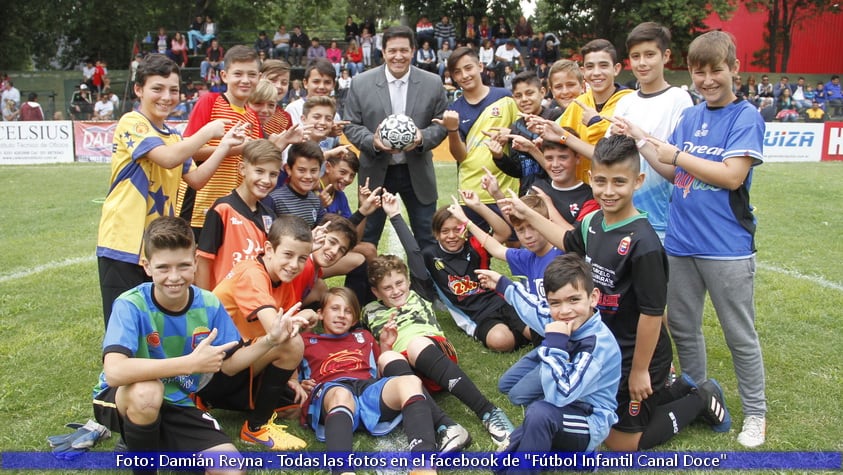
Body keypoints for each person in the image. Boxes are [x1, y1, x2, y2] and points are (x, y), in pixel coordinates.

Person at [500, 135, 732, 451]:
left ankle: (700, 398)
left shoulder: (644, 243)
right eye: (601, 182)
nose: (609, 192)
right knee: (590, 411)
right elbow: (568, 241)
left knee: (621, 442)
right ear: (591, 179)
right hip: (604, 350)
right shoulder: (593, 221)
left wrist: (639, 371)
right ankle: (673, 389)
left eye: (619, 182)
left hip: (635, 355)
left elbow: (651, 315)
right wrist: (528, 214)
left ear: (637, 181)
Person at [623, 30, 767, 448]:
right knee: (684, 327)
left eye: (715, 70)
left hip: (726, 247)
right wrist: (642, 139)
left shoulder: (745, 116)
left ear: (734, 69)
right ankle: (701, 395)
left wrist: (677, 155)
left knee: (738, 333)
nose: (706, 80)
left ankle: (756, 413)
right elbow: (674, 172)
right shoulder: (691, 116)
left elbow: (731, 175)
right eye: (699, 71)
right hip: (681, 243)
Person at [92, 216, 310, 461]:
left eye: (183, 266)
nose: (174, 276)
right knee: (147, 393)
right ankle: (141, 449)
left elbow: (230, 365)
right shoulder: (130, 304)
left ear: (195, 262)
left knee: (230, 466)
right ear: (147, 266)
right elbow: (115, 372)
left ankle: (146, 437)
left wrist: (271, 339)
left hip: (179, 399)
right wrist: (190, 364)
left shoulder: (208, 304)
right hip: (126, 395)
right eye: (163, 267)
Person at [96, 54, 248, 327]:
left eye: (174, 90)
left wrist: (224, 146)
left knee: (153, 321)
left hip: (157, 245)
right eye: (157, 88)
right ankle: (118, 367)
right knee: (123, 319)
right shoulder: (132, 122)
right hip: (123, 241)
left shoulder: (174, 137)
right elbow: (167, 158)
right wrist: (207, 132)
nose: (167, 96)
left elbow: (198, 178)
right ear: (138, 90)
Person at [363, 201, 516, 448]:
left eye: (400, 283)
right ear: (375, 292)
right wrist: (385, 346)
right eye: (387, 288)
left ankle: (488, 412)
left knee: (415, 344)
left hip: (432, 352)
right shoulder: (369, 312)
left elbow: (414, 253)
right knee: (386, 359)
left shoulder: (418, 293)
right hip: (409, 378)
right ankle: (447, 426)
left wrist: (395, 216)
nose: (396, 291)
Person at [475, 254, 621, 459]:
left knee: (540, 414)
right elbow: (534, 309)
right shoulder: (563, 317)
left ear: (593, 297)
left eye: (574, 299)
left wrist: (555, 345)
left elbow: (559, 396)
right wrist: (503, 284)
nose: (565, 311)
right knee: (507, 455)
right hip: (565, 393)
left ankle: (583, 458)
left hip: (589, 419)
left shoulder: (597, 344)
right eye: (555, 303)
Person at [201, 215, 316, 450]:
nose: (294, 265)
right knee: (292, 344)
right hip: (212, 367)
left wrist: (293, 379)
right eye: (288, 254)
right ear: (268, 249)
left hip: (240, 358)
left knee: (292, 407)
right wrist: (306, 316)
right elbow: (279, 332)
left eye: (302, 258)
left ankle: (207, 401)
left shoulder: (282, 278)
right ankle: (255, 428)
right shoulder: (253, 273)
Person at [298, 287, 440, 461]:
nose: (341, 315)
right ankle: (343, 471)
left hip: (367, 389)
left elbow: (382, 372)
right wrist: (299, 384)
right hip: (331, 389)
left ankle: (424, 465)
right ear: (320, 313)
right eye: (335, 309)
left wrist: (386, 344)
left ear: (354, 320)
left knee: (410, 381)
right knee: (341, 394)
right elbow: (291, 375)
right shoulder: (306, 341)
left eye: (348, 311)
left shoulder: (363, 336)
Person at [343, 25, 449, 250]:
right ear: (383, 52)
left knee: (427, 238)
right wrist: (373, 141)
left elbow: (441, 125)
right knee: (367, 237)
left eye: (403, 50)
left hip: (417, 172)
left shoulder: (432, 83)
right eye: (392, 51)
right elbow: (350, 124)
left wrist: (421, 138)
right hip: (376, 172)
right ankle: (360, 286)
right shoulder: (361, 82)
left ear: (413, 51)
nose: (398, 56)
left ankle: (428, 286)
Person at [390, 189, 532, 352]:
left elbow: (504, 232)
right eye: (445, 231)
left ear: (465, 229)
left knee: (533, 331)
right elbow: (413, 252)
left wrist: (478, 206)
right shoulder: (430, 256)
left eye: (457, 229)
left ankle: (524, 332)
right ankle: (520, 334)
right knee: (501, 342)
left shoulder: (474, 246)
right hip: (477, 316)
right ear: (436, 234)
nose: (451, 236)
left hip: (502, 302)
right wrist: (395, 215)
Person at [176, 45, 263, 239]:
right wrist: (234, 149)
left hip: (232, 207)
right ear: (224, 76)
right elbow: (188, 151)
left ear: (259, 77)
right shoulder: (210, 102)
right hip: (199, 205)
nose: (245, 80)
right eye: (238, 74)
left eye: (251, 74)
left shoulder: (253, 117)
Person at [436, 46, 519, 230]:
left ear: (480, 66)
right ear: (452, 77)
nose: (464, 75)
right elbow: (460, 156)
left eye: (468, 68)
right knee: (475, 247)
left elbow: (522, 130)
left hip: (505, 188)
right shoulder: (454, 109)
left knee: (515, 243)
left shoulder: (504, 97)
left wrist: (510, 133)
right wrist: (452, 130)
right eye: (457, 72)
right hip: (471, 191)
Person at [195, 139, 282, 290]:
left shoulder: (270, 216)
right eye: (259, 171)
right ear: (242, 169)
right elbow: (203, 261)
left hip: (255, 302)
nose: (266, 180)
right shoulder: (222, 209)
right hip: (223, 303)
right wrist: (207, 305)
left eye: (273, 174)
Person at [554, 39, 632, 183]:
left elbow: (614, 155)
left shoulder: (630, 102)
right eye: (590, 67)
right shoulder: (578, 104)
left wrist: (595, 123)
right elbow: (561, 141)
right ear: (583, 71)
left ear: (616, 69)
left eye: (603, 66)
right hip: (581, 192)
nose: (596, 73)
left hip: (616, 191)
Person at [270, 141, 325, 228]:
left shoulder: (316, 201)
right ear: (288, 169)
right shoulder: (275, 200)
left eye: (313, 171)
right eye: (301, 170)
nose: (308, 176)